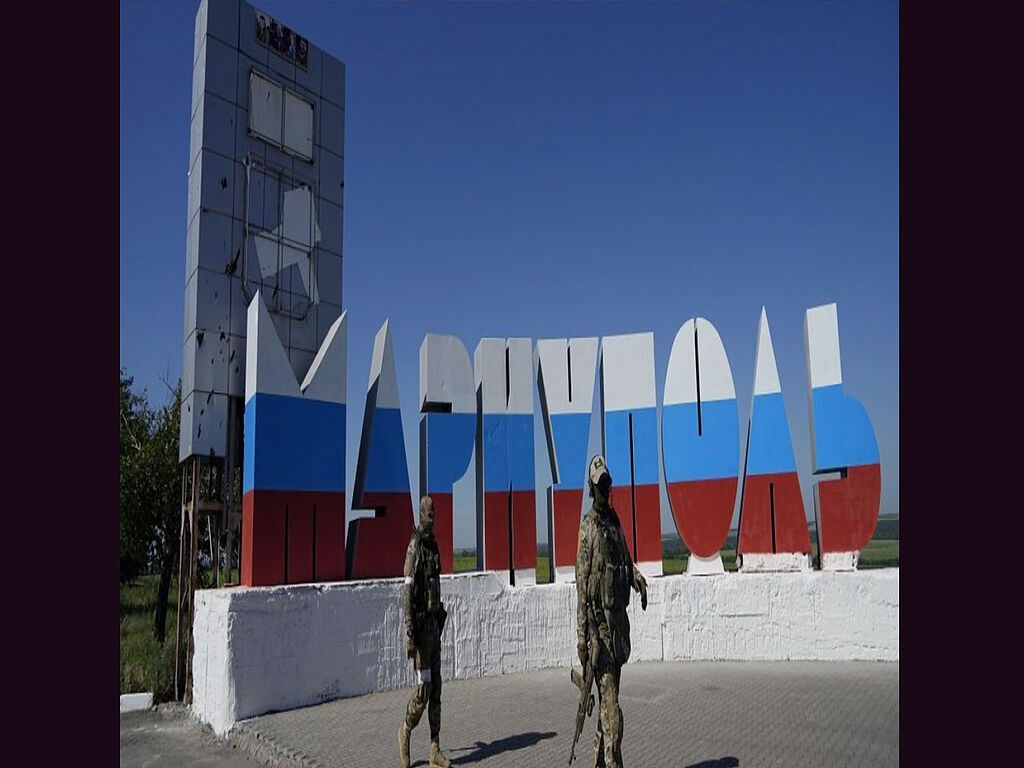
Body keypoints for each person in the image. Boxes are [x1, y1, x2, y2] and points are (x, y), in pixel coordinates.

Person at [575, 455, 648, 768]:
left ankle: (598, 760)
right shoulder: (588, 529)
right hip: (598, 635)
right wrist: (581, 638)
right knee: (612, 711)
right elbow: (581, 587)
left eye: (608, 482)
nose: (606, 488)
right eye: (601, 483)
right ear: (593, 488)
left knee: (609, 705)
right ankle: (611, 761)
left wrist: (638, 579)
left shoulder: (615, 523)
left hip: (618, 629)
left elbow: (625, 563)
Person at [398, 496, 451, 768]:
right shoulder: (415, 547)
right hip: (419, 633)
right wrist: (409, 633)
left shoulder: (433, 546)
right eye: (427, 514)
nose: (431, 518)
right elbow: (407, 592)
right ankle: (405, 730)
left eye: (434, 514)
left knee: (437, 689)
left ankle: (434, 748)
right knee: (423, 689)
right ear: (420, 515)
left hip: (434, 630)